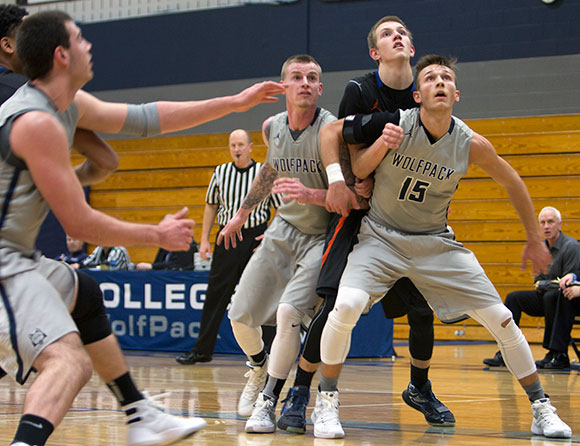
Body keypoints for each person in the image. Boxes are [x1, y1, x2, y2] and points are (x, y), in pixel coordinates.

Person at [0, 10, 284, 446]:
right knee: (69, 363)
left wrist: (233, 103)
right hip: (4, 265)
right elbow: (78, 222)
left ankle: (139, 414)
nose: (88, 46)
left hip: (16, 258)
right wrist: (156, 234)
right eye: (80, 39)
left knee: (86, 295)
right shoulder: (35, 122)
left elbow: (151, 117)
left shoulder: (64, 105)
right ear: (61, 55)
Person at [314, 54, 572, 439]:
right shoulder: (395, 123)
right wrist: (360, 161)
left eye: (446, 78)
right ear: (416, 96)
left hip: (435, 242)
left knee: (502, 318)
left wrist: (535, 240)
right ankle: (327, 401)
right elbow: (339, 141)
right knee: (346, 305)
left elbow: (513, 182)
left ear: (456, 94)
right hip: (381, 236)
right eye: (430, 77)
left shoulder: (470, 143)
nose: (439, 82)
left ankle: (540, 406)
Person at [276, 16, 453, 435]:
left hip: (405, 214)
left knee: (421, 308)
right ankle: (300, 392)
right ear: (376, 52)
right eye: (388, 33)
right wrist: (348, 180)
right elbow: (346, 147)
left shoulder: (426, 90)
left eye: (404, 31)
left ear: (412, 46)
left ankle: (420, 387)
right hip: (360, 212)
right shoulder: (360, 90)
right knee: (335, 303)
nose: (399, 36)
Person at [217, 54, 334, 432]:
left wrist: (308, 194)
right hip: (282, 229)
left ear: (320, 88)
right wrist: (240, 214)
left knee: (287, 315)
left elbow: (346, 195)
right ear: (284, 86)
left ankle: (268, 400)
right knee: (239, 316)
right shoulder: (272, 127)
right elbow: (270, 170)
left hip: (320, 236)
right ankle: (257, 366)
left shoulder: (331, 130)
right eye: (296, 77)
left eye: (311, 77)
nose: (304, 83)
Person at [176, 129, 281, 365]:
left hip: (255, 238)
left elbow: (280, 208)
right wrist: (204, 239)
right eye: (233, 145)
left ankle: (273, 352)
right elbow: (211, 205)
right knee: (215, 294)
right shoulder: (220, 172)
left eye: (241, 144)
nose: (237, 149)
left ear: (251, 146)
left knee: (262, 295)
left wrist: (270, 235)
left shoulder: (263, 173)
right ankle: (202, 350)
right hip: (226, 237)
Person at [483, 206, 579, 369]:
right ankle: (507, 352)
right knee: (514, 298)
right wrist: (550, 284)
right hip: (548, 297)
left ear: (559, 224)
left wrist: (547, 284)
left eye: (550, 222)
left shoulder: (571, 246)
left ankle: (557, 353)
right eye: (542, 223)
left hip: (565, 300)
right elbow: (538, 282)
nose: (546, 226)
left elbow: (568, 283)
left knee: (552, 296)